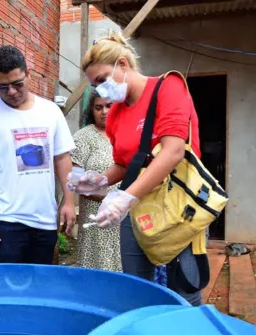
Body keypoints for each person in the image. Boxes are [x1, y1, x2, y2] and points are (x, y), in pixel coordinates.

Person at [68, 31, 202, 305]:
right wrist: (99, 181)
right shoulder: (117, 111)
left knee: (183, 290)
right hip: (139, 210)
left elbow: (173, 151)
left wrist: (126, 197)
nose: (102, 89)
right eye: (96, 85)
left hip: (177, 206)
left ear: (123, 65)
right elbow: (123, 164)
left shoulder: (168, 88)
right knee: (136, 287)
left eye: (103, 79)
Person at [0, 45, 76, 264]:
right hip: (3, 221)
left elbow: (62, 159)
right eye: (3, 87)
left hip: (44, 220)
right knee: (6, 289)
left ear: (29, 74)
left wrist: (69, 201)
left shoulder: (50, 111)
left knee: (38, 290)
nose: (12, 92)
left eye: (18, 84)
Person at [71, 91, 121, 272]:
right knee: (98, 269)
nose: (104, 111)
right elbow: (76, 181)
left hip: (126, 216)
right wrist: (108, 198)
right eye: (98, 107)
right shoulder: (83, 137)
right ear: (91, 110)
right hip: (96, 217)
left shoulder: (127, 135)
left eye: (109, 106)